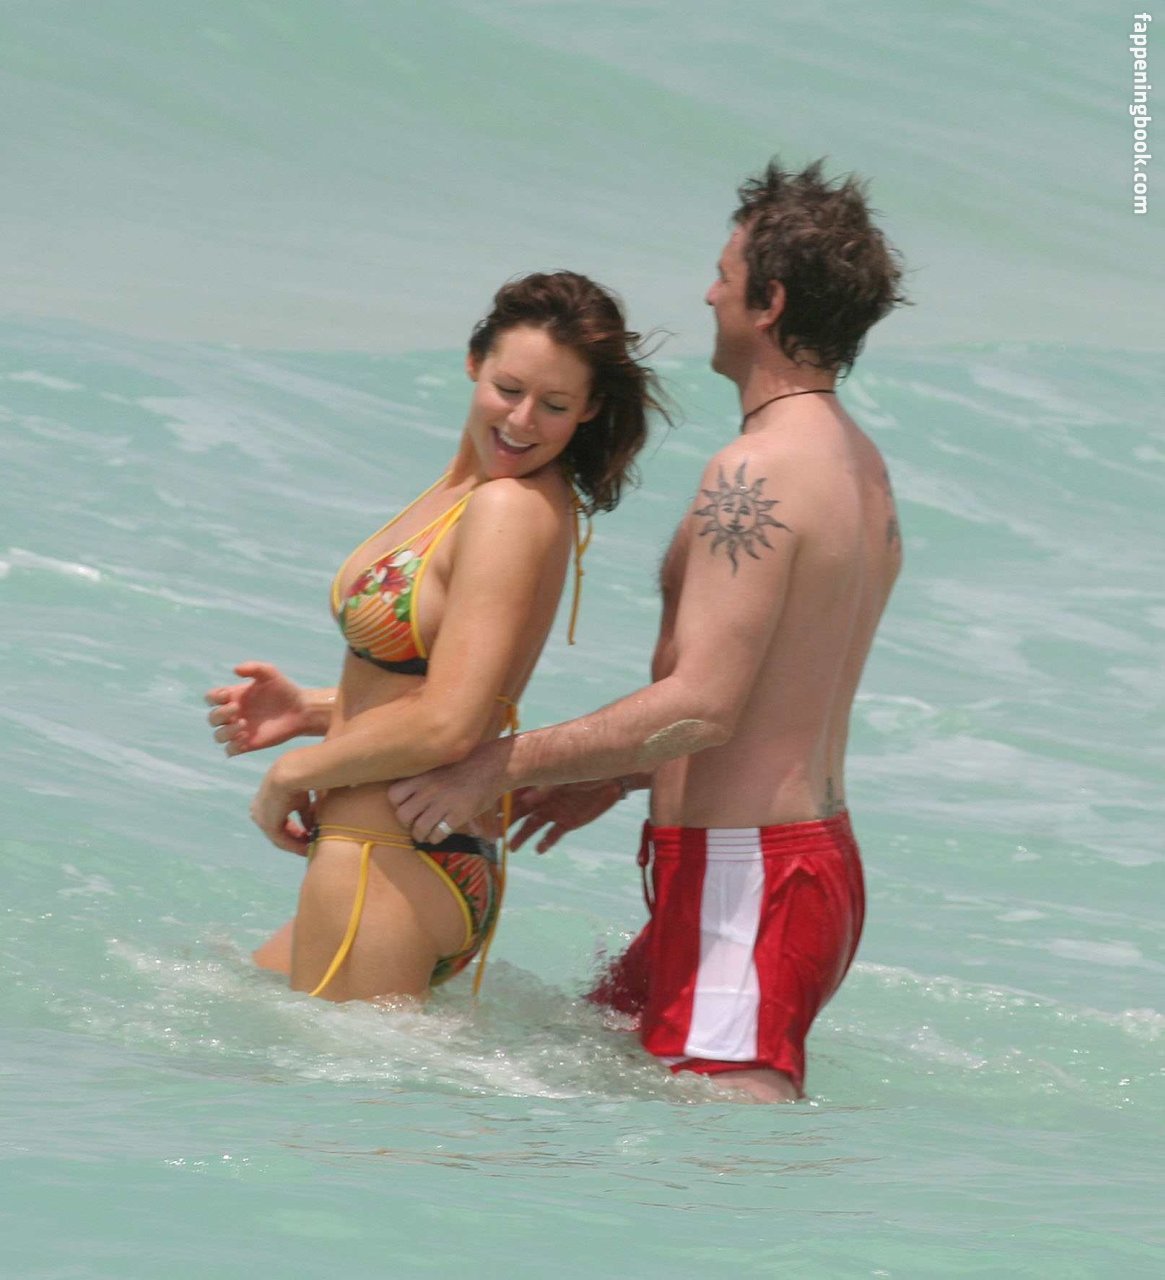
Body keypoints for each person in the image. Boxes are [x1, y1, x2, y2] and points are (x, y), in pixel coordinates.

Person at [388, 158, 908, 1100]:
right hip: (776, 866)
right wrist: (616, 771)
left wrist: (490, 766)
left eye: (723, 273)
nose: (708, 294)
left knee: (724, 1158)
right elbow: (780, 688)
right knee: (579, 1082)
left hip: (750, 879)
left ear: (768, 301)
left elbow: (703, 705)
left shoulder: (754, 471)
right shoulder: (855, 465)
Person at [204, 271, 664, 1002]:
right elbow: (447, 685)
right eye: (508, 389)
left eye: (553, 406)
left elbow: (451, 724)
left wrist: (288, 776)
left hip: (386, 853)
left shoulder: (506, 508)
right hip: (407, 855)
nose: (522, 421)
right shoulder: (476, 493)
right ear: (474, 362)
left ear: (588, 410)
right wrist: (313, 710)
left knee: (319, 1078)